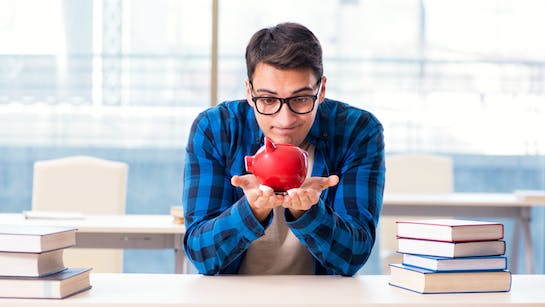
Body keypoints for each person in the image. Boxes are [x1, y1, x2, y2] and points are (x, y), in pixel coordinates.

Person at [183, 22, 385, 276]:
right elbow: (201, 255)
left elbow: (354, 256)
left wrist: (308, 213)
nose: (285, 120)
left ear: (321, 90)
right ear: (249, 91)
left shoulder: (357, 132)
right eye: (268, 100)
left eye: (300, 99)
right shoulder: (216, 129)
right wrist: (252, 211)